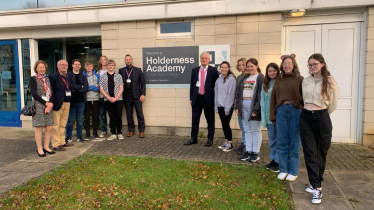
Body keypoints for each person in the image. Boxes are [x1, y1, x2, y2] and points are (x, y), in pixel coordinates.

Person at [301, 53, 339, 204]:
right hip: (305, 118)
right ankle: (316, 187)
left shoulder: (329, 81)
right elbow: (303, 98)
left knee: (321, 152)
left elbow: (333, 103)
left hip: (322, 117)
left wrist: (321, 113)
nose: (312, 67)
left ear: (322, 64)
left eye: (314, 64)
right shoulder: (305, 81)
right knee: (310, 153)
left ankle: (317, 181)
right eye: (309, 65)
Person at [270, 54, 304, 181]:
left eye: (289, 63)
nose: (287, 66)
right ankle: (283, 169)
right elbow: (273, 99)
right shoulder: (278, 80)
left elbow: (303, 97)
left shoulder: (300, 79)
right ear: (282, 66)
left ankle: (293, 171)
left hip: (295, 111)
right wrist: (273, 115)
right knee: (282, 141)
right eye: (285, 64)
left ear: (293, 65)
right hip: (281, 111)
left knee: (294, 142)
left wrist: (296, 104)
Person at [184, 51, 219, 146]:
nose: (204, 59)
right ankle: (193, 138)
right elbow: (192, 85)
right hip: (197, 99)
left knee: (210, 120)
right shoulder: (195, 70)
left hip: (208, 99)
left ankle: (210, 139)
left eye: (205, 58)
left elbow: (218, 86)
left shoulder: (213, 70)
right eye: (202, 58)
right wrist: (191, 98)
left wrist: (216, 99)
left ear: (209, 59)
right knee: (195, 120)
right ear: (200, 59)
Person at [235, 58, 264, 162]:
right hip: (243, 105)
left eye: (252, 66)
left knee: (255, 130)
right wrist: (237, 107)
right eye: (248, 66)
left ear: (256, 66)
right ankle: (248, 151)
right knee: (246, 129)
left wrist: (256, 110)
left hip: (254, 106)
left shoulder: (260, 78)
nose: (249, 68)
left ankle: (255, 152)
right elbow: (238, 93)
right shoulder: (244, 78)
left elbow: (261, 95)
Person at [29, 60, 55, 157]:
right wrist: (45, 103)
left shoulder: (47, 79)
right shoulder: (33, 79)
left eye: (43, 67)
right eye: (40, 67)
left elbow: (51, 92)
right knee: (39, 127)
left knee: (49, 127)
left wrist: (50, 103)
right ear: (36, 68)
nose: (42, 69)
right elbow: (34, 94)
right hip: (39, 104)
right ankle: (39, 149)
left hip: (48, 104)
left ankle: (46, 146)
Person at [119, 54, 146, 138]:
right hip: (126, 96)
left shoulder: (138, 70)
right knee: (129, 114)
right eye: (126, 59)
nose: (128, 61)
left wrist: (143, 94)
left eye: (129, 59)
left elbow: (143, 83)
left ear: (132, 60)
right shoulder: (121, 70)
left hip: (137, 95)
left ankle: (141, 131)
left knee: (139, 113)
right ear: (125, 61)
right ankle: (131, 130)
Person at [49, 60, 73, 151]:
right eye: (62, 65)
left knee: (63, 124)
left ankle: (62, 142)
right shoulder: (53, 77)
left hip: (67, 102)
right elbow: (51, 91)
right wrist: (51, 102)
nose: (64, 66)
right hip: (57, 103)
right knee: (56, 125)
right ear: (57, 66)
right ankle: (56, 144)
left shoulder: (67, 76)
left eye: (65, 65)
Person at [261, 63, 280, 172]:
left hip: (279, 117)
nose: (272, 73)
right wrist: (264, 119)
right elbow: (262, 103)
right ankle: (273, 159)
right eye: (270, 71)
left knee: (280, 140)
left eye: (274, 70)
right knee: (272, 140)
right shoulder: (265, 85)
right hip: (269, 118)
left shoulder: (280, 83)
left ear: (277, 71)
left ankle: (279, 161)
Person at [99, 59, 124, 140]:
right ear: (107, 66)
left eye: (112, 65)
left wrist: (116, 98)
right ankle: (113, 133)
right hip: (108, 100)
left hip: (118, 99)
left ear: (114, 66)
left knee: (118, 116)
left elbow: (121, 88)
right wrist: (109, 98)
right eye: (109, 65)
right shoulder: (103, 76)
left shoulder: (118, 76)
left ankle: (119, 133)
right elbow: (101, 89)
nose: (110, 66)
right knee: (111, 116)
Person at [215, 61, 236, 152]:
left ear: (228, 68)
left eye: (225, 67)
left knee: (226, 124)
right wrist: (216, 106)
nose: (223, 69)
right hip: (220, 106)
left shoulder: (232, 79)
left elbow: (230, 95)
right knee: (223, 124)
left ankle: (230, 143)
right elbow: (216, 94)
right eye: (222, 67)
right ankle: (227, 141)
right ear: (220, 68)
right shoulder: (218, 80)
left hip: (227, 107)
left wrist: (227, 109)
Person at [66, 59, 89, 143]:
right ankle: (68, 137)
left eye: (78, 64)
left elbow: (86, 87)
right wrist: (80, 87)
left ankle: (79, 136)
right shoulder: (68, 75)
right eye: (75, 64)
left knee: (79, 120)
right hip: (71, 101)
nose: (77, 66)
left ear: (80, 66)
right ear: (72, 65)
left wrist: (76, 89)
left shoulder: (83, 76)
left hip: (81, 101)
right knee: (70, 120)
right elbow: (69, 86)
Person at [83, 61, 101, 141]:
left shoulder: (97, 75)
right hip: (86, 99)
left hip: (96, 99)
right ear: (85, 67)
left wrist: (88, 87)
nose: (89, 67)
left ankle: (95, 132)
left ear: (92, 67)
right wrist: (93, 86)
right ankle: (87, 133)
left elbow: (100, 87)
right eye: (87, 66)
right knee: (86, 117)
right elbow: (83, 88)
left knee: (96, 117)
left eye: (90, 66)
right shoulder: (82, 76)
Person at [235, 58, 247, 155]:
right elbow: (237, 92)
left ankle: (247, 145)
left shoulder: (250, 76)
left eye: (243, 64)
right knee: (242, 125)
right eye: (239, 65)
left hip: (247, 105)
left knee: (246, 126)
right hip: (239, 105)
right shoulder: (238, 77)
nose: (241, 67)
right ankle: (243, 143)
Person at [98, 55, 109, 138]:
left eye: (104, 59)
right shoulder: (98, 73)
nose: (103, 60)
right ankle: (104, 130)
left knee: (111, 114)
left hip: (110, 96)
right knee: (102, 114)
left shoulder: (110, 71)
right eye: (102, 59)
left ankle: (112, 130)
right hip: (101, 96)